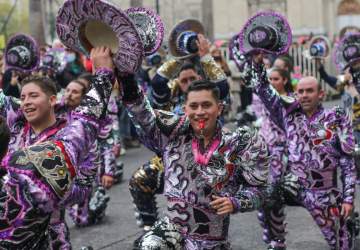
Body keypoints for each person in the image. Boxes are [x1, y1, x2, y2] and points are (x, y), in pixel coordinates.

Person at [122, 70, 270, 249]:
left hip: (211, 239)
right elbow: (141, 113)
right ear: (186, 109)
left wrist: (236, 202)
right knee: (150, 246)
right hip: (173, 229)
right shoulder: (172, 135)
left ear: (219, 108)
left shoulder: (238, 144)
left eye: (206, 105)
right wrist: (125, 76)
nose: (200, 112)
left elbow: (260, 189)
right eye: (194, 106)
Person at [0, 47, 114, 248]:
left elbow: (85, 186)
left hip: (49, 230)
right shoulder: (17, 125)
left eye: (33, 96)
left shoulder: (71, 138)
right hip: (6, 222)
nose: (26, 102)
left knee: (81, 219)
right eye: (23, 97)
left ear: (52, 100)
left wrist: (46, 187)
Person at [249, 56, 356, 250]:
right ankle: (276, 242)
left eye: (310, 91)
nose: (305, 95)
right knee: (269, 195)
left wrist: (348, 199)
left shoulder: (336, 117)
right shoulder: (287, 115)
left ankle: (348, 228)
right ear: (295, 94)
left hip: (324, 192)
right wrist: (258, 65)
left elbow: (347, 164)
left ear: (321, 94)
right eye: (301, 92)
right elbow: (265, 91)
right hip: (295, 187)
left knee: (340, 243)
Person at [129, 34, 230, 233]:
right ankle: (150, 230)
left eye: (193, 78)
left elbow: (223, 87)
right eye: (184, 80)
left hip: (206, 160)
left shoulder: (208, 95)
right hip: (172, 158)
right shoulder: (170, 95)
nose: (188, 82)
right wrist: (178, 56)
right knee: (139, 180)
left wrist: (206, 57)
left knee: (203, 207)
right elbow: (158, 83)